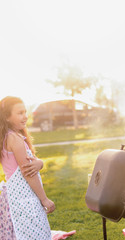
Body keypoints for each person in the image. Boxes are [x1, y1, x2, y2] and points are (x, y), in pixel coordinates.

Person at [0, 96, 55, 239]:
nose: (25, 116)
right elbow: (28, 173)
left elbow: (32, 163)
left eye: (25, 112)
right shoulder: (14, 139)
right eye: (19, 113)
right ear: (6, 117)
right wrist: (44, 199)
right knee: (35, 234)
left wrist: (40, 163)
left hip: (17, 199)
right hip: (25, 201)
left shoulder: (7, 137)